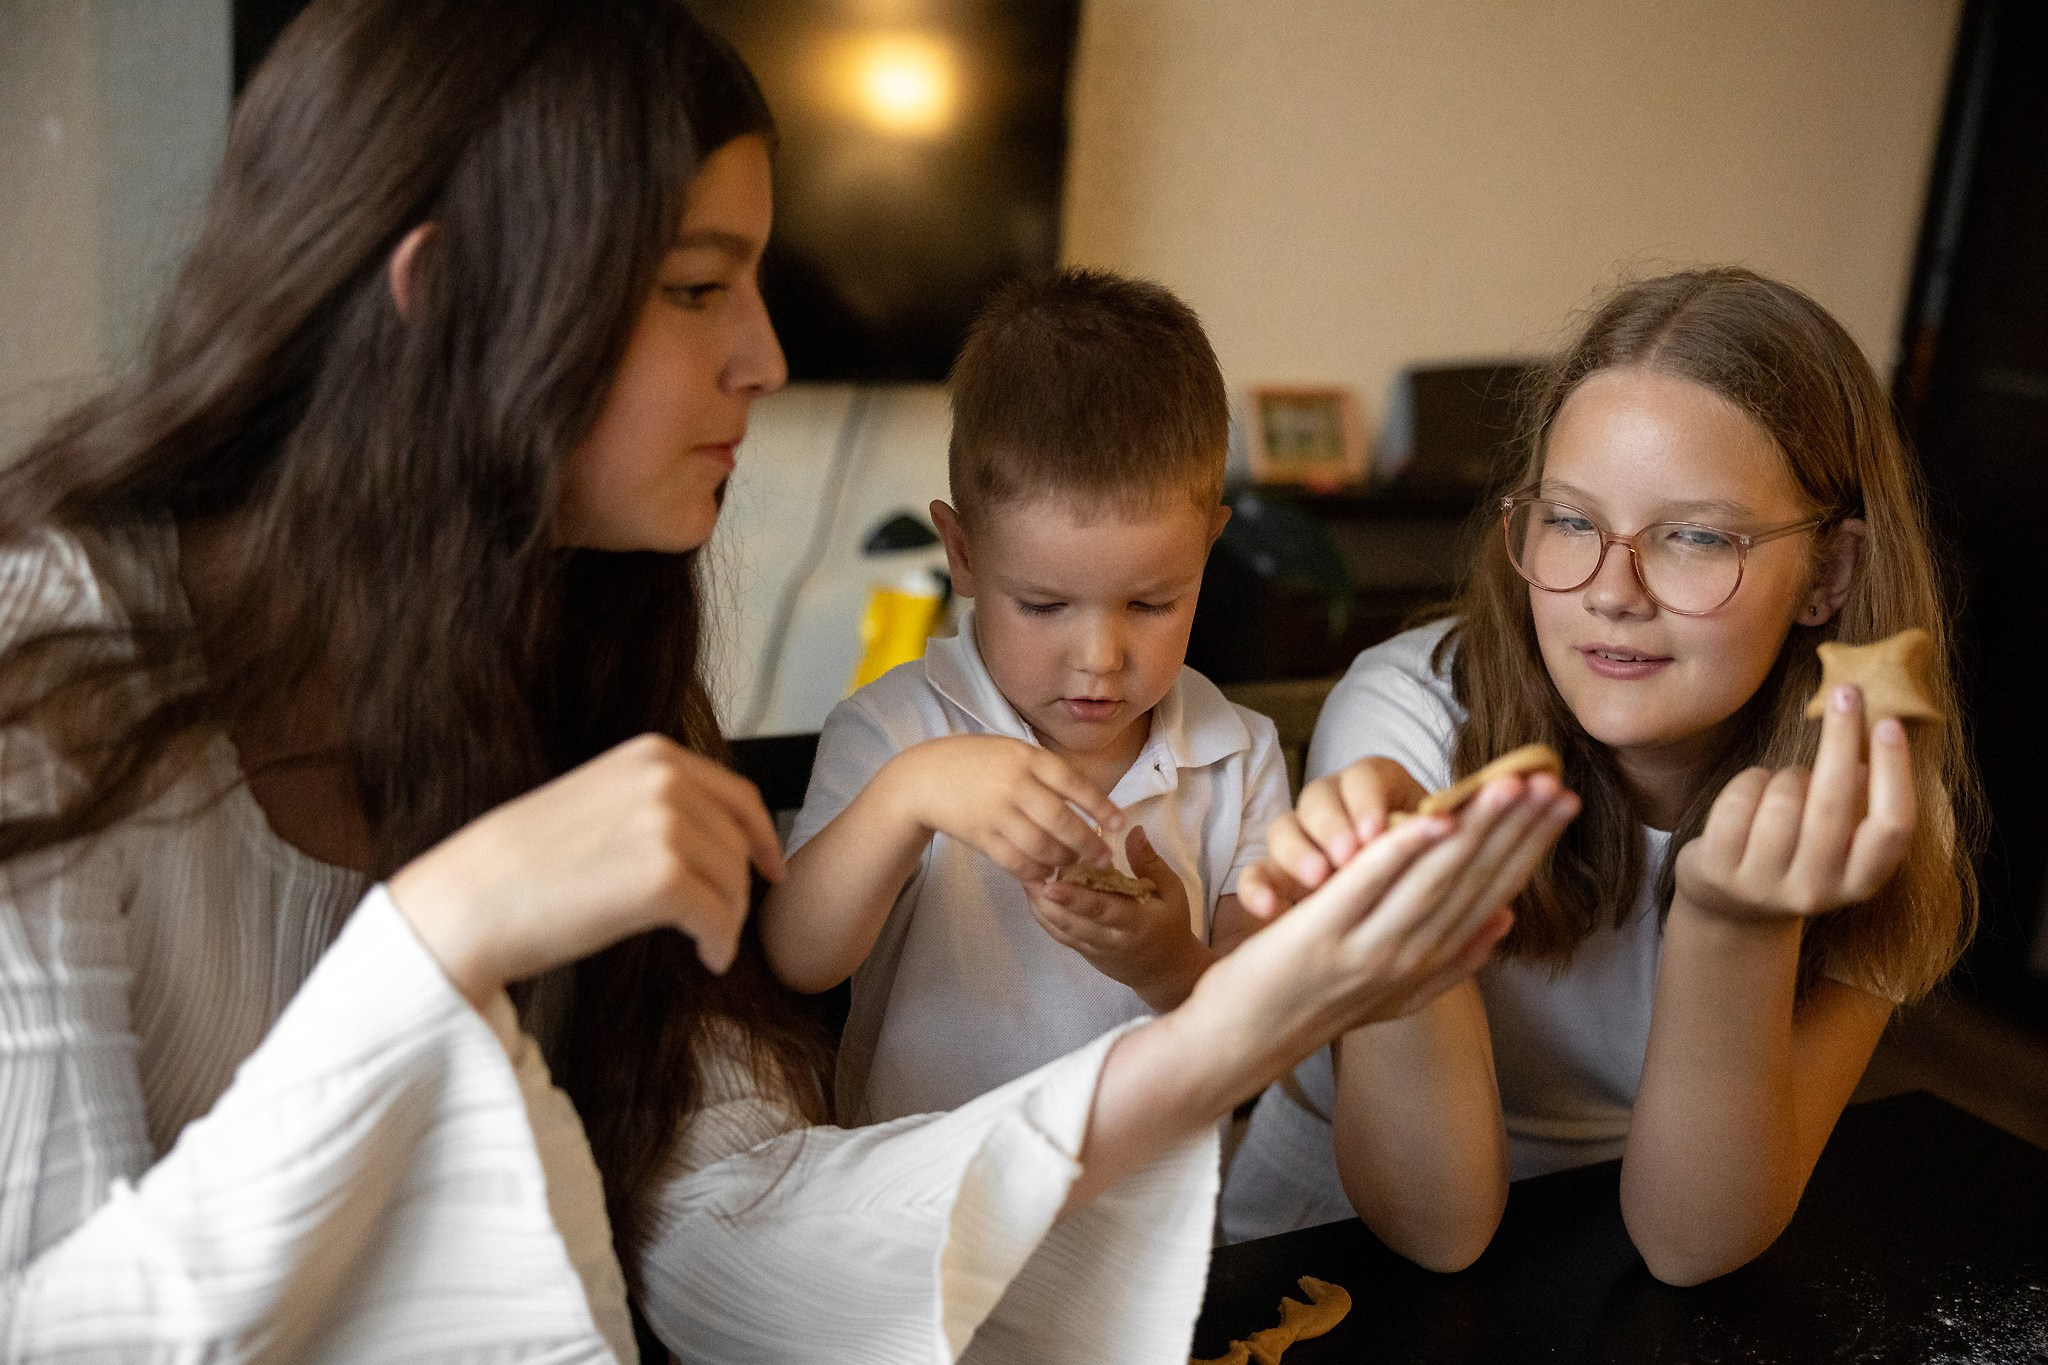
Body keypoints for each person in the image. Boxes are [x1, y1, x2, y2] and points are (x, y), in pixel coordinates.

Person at [0, 1, 1580, 1359]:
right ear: (445, 298)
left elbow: (714, 1217)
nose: (763, 354)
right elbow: (54, 1327)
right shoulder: (42, 676)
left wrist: (1225, 1033)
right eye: (699, 287)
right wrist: (439, 934)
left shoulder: (579, 662)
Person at [1218, 268, 1982, 1285]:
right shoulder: (1410, 721)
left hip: (1621, 1255)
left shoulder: (1872, 800)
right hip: (1328, 1246)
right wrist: (1409, 922)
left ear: (1829, 574)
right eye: (1572, 520)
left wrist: (1732, 928)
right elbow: (1435, 1230)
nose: (1611, 593)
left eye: (1696, 535)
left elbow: (1691, 1244)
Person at [759, 269, 1294, 1124]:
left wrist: (1169, 967)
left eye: (1151, 603)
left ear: (1208, 547)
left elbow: (1265, 1041)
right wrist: (908, 796)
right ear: (963, 553)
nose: (1100, 660)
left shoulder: (1240, 757)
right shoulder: (896, 730)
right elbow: (798, 958)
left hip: (1156, 1198)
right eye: (1043, 606)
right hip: (929, 1192)